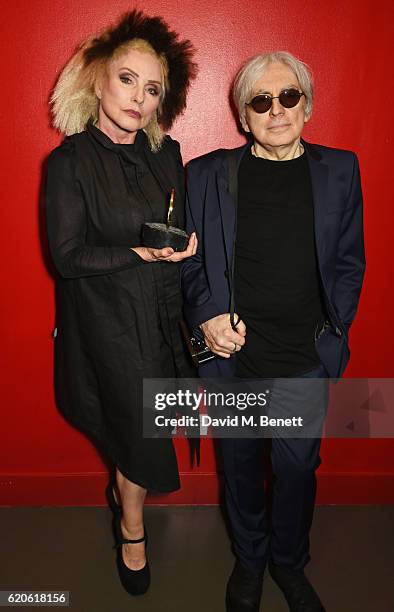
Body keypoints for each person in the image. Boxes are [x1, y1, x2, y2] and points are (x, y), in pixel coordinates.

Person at [182, 51, 365, 612]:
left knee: (296, 471)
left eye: (289, 97)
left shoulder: (341, 169)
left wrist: (333, 329)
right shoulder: (207, 174)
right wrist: (206, 317)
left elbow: (351, 263)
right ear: (243, 114)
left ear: (306, 105)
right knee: (238, 469)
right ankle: (251, 558)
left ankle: (288, 562)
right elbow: (187, 263)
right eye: (261, 101)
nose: (276, 110)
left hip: (303, 357)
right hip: (233, 360)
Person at [45, 10, 197, 597]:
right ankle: (131, 528)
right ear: (98, 79)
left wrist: (181, 247)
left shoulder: (169, 155)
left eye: (152, 87)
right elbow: (66, 257)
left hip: (161, 314)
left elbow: (173, 227)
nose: (138, 97)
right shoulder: (68, 162)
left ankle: (125, 493)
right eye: (128, 79)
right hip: (105, 325)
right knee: (137, 431)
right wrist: (139, 254)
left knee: (151, 424)